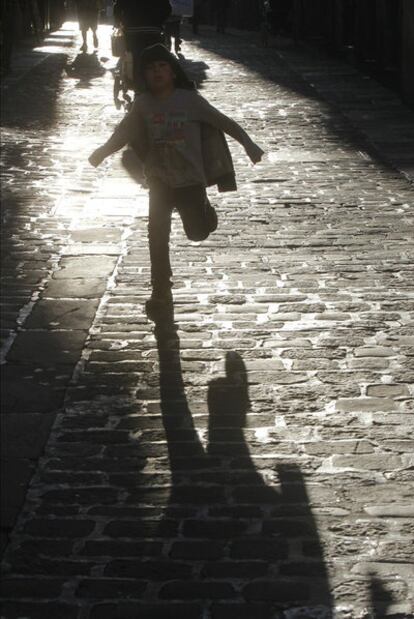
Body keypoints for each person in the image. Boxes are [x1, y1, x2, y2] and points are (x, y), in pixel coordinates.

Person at [88, 44, 264, 316]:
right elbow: (124, 132)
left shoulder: (189, 100)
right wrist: (102, 151)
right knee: (157, 236)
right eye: (150, 68)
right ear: (143, 76)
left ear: (172, 72)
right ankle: (160, 291)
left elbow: (223, 122)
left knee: (197, 232)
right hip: (159, 181)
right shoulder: (143, 105)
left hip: (190, 181)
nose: (156, 72)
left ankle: (206, 214)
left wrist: (249, 144)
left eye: (162, 67)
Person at [113, 0, 171, 88]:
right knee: (155, 56)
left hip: (132, 30)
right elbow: (167, 8)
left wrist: (120, 21)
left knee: (134, 56)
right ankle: (153, 80)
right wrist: (159, 21)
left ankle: (136, 82)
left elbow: (117, 7)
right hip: (153, 31)